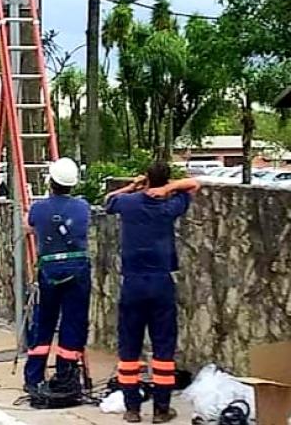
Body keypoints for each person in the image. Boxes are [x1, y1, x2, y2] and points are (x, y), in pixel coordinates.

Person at [105, 162, 201, 424]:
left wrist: (133, 186)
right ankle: (161, 410)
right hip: (160, 283)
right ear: (166, 180)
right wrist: (168, 188)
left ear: (146, 178)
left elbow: (108, 201)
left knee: (129, 348)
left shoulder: (129, 203)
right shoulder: (169, 206)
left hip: (133, 283)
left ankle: (132, 409)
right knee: (163, 348)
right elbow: (194, 184)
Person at [24, 158, 91, 404]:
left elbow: (28, 227)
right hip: (78, 270)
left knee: (43, 323)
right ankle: (66, 377)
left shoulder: (39, 208)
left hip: (50, 271)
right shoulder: (82, 207)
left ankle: (33, 378)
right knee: (72, 324)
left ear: (51, 181)